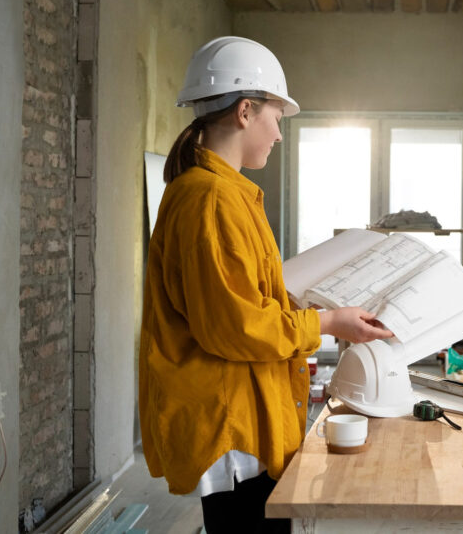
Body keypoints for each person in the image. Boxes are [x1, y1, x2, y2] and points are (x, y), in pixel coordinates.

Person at [139, 36, 392, 533]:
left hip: (241, 412)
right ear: (245, 111)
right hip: (230, 424)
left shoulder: (222, 192)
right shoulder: (210, 198)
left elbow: (236, 298)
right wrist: (326, 322)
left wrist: (295, 302)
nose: (278, 134)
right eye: (277, 117)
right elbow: (233, 327)